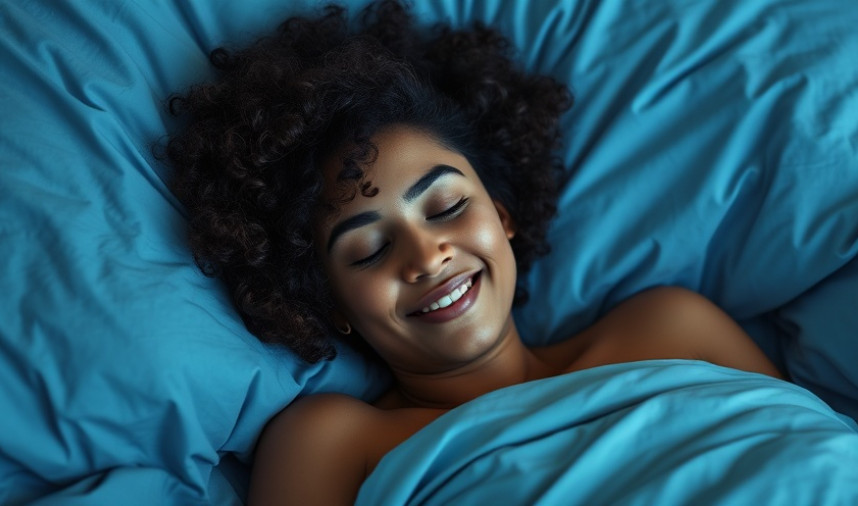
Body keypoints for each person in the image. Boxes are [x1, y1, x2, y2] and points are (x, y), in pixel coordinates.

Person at [164, 1, 784, 504]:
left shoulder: (670, 328)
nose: (428, 258)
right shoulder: (334, 442)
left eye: (446, 207)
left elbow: (811, 455)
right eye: (369, 249)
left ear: (504, 215)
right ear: (331, 306)